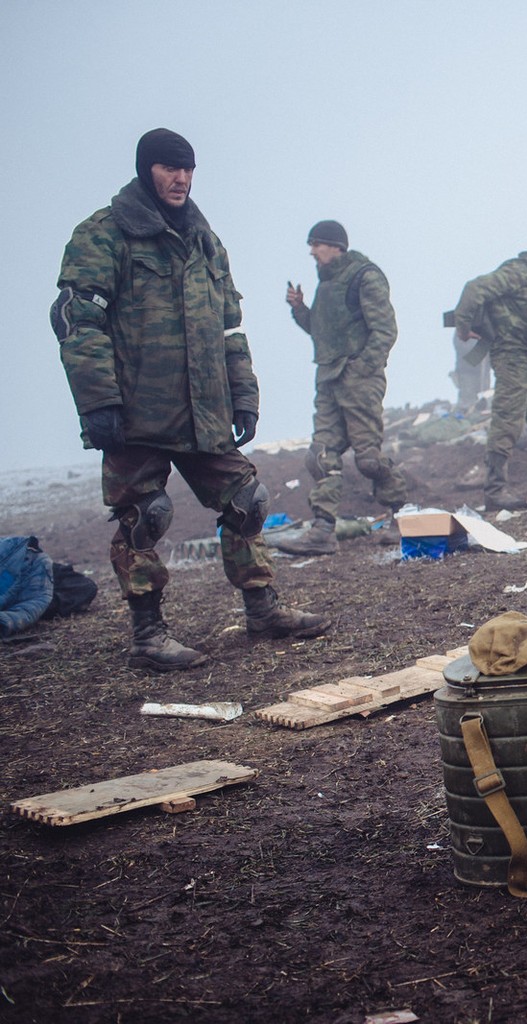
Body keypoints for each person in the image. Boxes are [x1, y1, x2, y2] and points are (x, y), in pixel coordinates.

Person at [52, 128, 329, 671]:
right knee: (144, 516)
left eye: (188, 169)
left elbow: (229, 328)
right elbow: (76, 320)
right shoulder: (104, 235)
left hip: (204, 411)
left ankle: (262, 611)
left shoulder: (205, 239)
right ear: (145, 170)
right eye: (168, 168)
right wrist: (98, 401)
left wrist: (242, 395)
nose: (180, 179)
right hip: (137, 413)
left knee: (248, 499)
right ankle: (148, 637)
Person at [275, 221, 410, 555]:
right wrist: (299, 310)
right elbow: (321, 331)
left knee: (368, 459)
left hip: (358, 380)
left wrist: (362, 368)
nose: (311, 251)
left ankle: (403, 517)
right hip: (328, 379)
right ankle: (323, 530)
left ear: (336, 246)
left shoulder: (364, 276)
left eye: (316, 244)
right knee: (321, 456)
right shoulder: (326, 284)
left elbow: (385, 330)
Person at [453, 237, 527, 511]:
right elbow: (474, 289)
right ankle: (495, 492)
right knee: (507, 421)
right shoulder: (520, 271)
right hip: (511, 355)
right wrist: (462, 328)